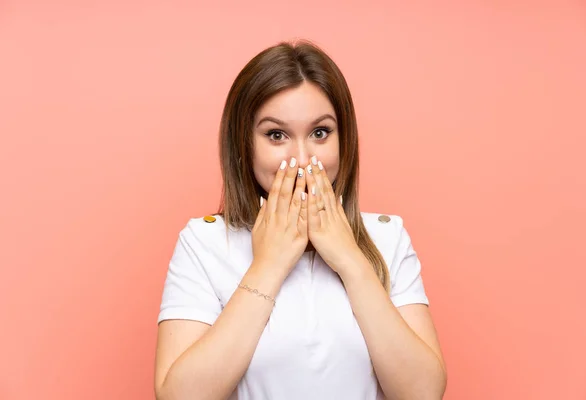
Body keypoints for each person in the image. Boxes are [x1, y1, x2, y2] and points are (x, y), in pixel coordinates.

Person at [154, 40, 447, 400]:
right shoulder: (203, 242)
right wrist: (269, 266)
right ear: (244, 144)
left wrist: (351, 261)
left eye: (320, 133)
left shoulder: (389, 236)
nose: (304, 158)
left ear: (345, 139)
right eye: (276, 135)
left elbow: (424, 392)